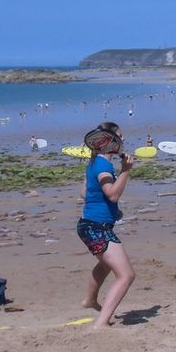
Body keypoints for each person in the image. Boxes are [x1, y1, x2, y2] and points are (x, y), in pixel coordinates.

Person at [77, 122, 136, 330]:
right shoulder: (103, 165)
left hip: (89, 225)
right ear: (108, 141)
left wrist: (112, 211)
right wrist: (126, 171)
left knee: (105, 264)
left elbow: (86, 193)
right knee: (126, 275)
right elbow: (112, 194)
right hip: (97, 228)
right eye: (120, 136)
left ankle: (90, 300)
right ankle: (101, 323)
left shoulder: (93, 163)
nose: (124, 140)